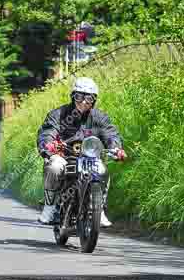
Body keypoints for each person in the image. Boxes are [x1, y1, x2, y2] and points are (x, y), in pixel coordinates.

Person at [36, 77, 126, 227]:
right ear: (73, 96)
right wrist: (49, 145)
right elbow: (48, 131)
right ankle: (49, 206)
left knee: (102, 170)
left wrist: (116, 148)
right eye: (79, 96)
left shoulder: (99, 117)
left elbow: (110, 133)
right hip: (64, 156)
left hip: (89, 158)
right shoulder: (58, 114)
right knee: (54, 166)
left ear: (94, 100)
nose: (83, 102)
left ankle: (99, 208)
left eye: (89, 98)